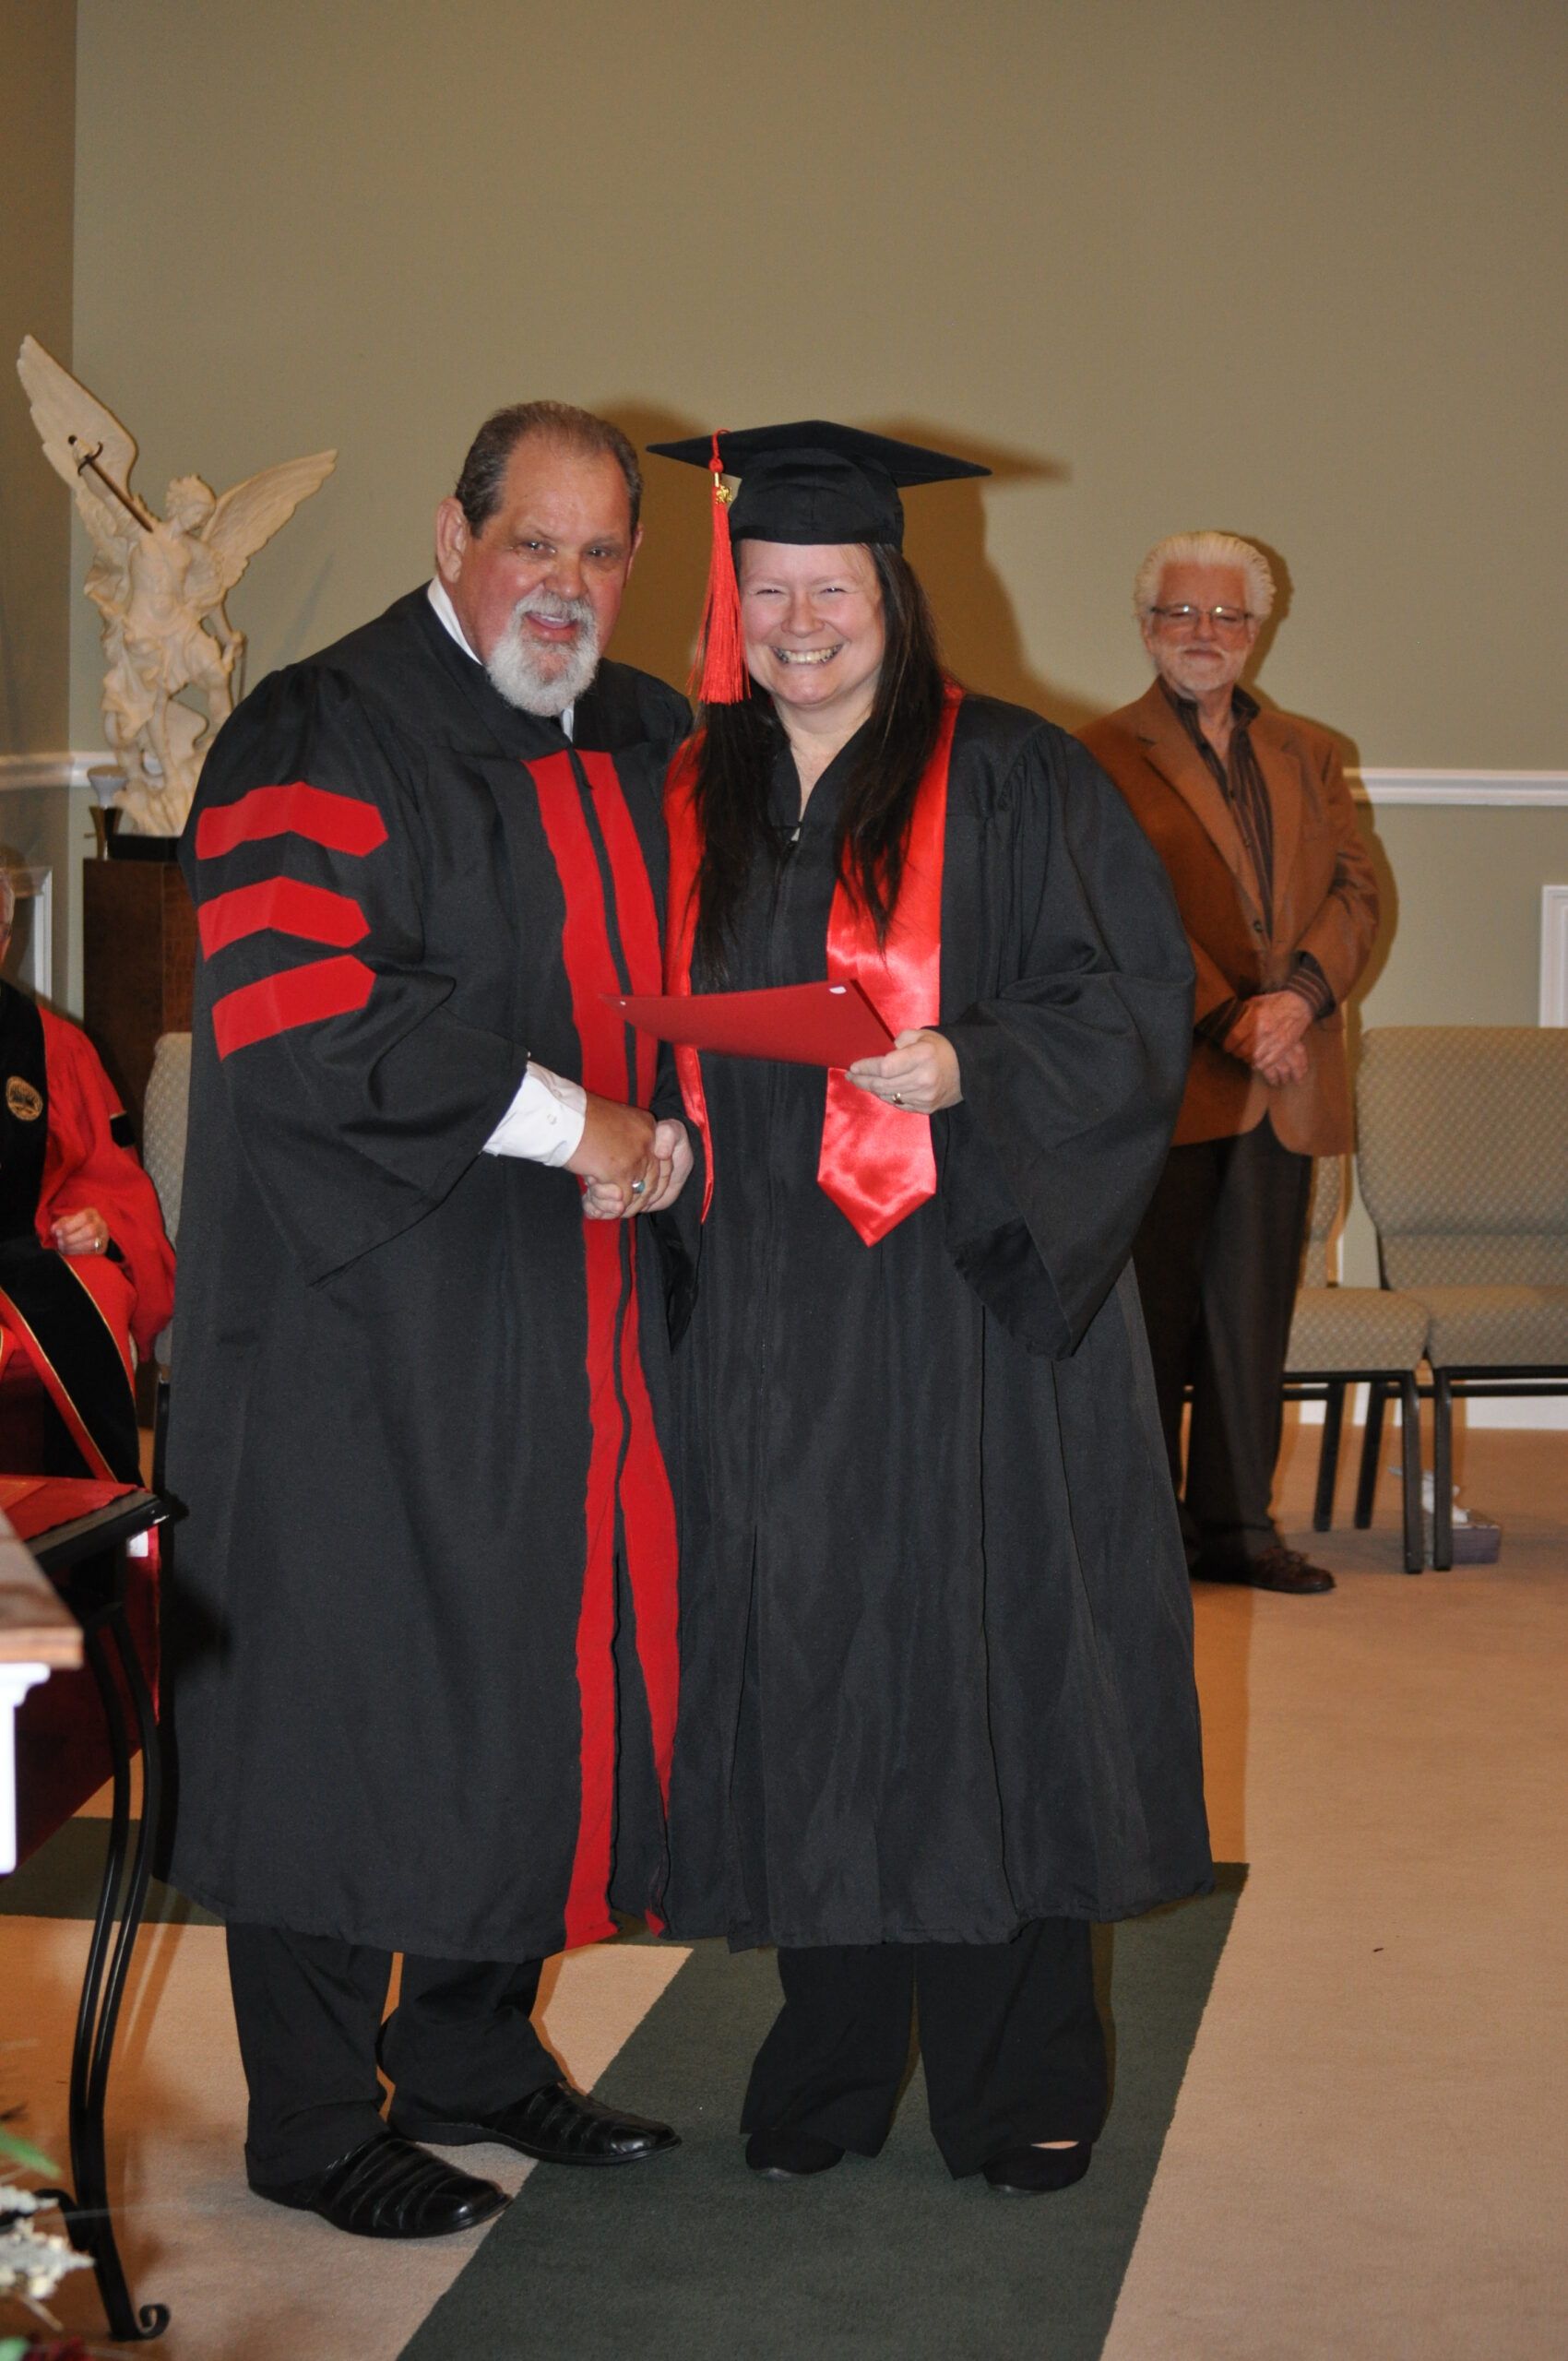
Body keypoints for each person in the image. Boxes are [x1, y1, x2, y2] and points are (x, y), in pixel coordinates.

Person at [643, 423, 1211, 2196]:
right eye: (770, 590)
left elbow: (1133, 1005)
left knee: (992, 1669)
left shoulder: (1023, 777)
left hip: (976, 1301)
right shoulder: (688, 792)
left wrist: (973, 1056)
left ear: (896, 592)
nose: (802, 621)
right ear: (731, 607)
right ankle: (821, 2070)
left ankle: (1020, 2076)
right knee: (811, 1673)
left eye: (835, 588)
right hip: (770, 1313)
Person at [164, 402, 695, 2240]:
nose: (563, 583)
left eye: (598, 551)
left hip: (574, 1314)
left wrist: (686, 1130)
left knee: (532, 1683)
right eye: (530, 541)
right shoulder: (320, 726)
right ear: (453, 529)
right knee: (344, 1692)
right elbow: (305, 1011)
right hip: (354, 1324)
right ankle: (311, 2119)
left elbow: (704, 982)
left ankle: (471, 2049)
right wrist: (583, 1122)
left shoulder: (639, 735)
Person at [1080, 533, 1380, 1595]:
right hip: (1166, 1079)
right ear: (1146, 624)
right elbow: (1118, 912)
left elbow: (1356, 895)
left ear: (1257, 629)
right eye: (1179, 615)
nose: (1202, 635)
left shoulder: (1308, 749)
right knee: (1152, 1319)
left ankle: (1237, 1530)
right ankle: (1146, 1529)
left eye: (1225, 617)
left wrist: (1293, 1004)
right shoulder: (1098, 753)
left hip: (1285, 1079)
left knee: (1254, 1316)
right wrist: (1227, 1018)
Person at [0, 869, 174, 1478]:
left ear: (6, 939)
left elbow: (109, 1179)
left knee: (89, 1301)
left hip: (21, 1265)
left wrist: (99, 1229)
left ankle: (70, 1555)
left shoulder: (54, 1050)